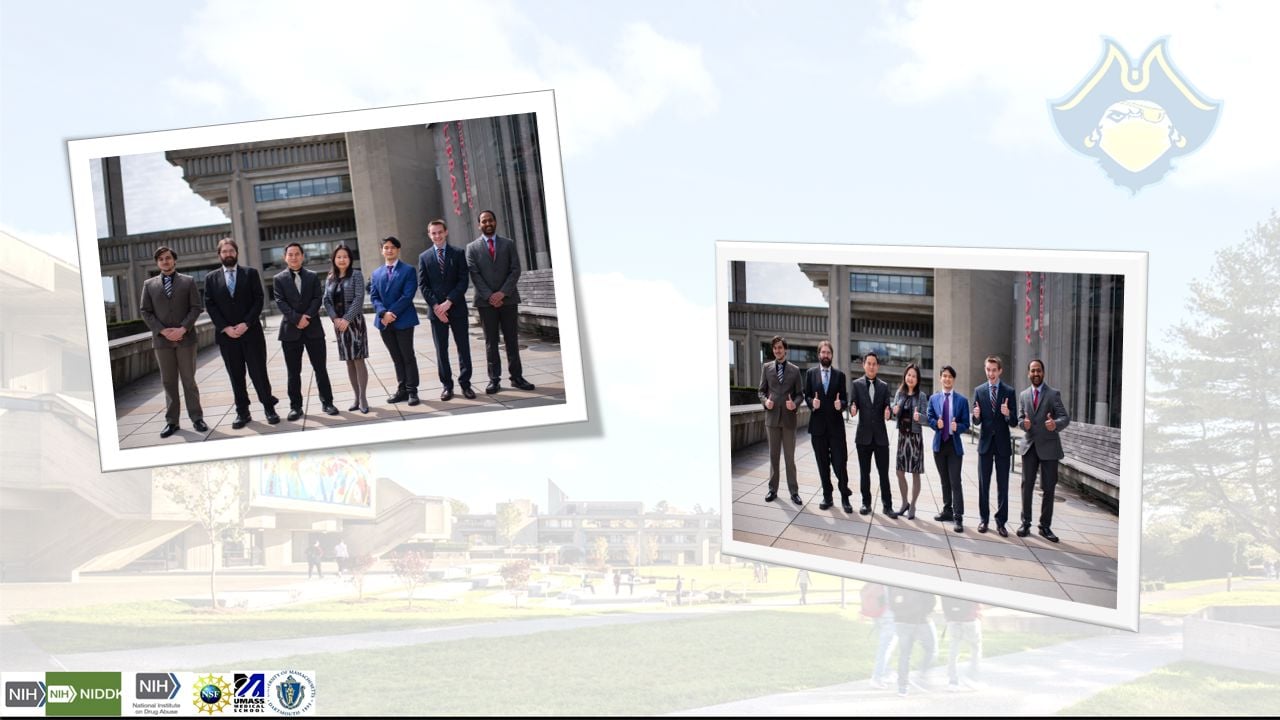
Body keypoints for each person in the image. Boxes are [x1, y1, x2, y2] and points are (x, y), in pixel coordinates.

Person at [203, 237, 279, 429]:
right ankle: (242, 413)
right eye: (224, 251)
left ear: (236, 253)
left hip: (251, 333)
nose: (228, 254)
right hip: (227, 337)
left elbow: (259, 299)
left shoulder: (250, 273)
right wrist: (226, 328)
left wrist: (246, 323)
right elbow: (210, 306)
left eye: (231, 251)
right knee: (236, 376)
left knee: (259, 373)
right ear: (219, 255)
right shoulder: (211, 278)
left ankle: (269, 408)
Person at [464, 210, 536, 394]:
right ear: (479, 225)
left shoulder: (508, 244)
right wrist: (491, 296)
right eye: (484, 221)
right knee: (491, 342)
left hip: (509, 299)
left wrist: (502, 293)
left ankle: (517, 377)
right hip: (486, 302)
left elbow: (515, 270)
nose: (487, 223)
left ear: (495, 222)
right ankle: (494, 380)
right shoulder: (471, 248)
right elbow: (475, 274)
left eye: (490, 220)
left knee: (512, 340)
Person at [138, 246, 206, 438]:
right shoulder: (149, 285)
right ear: (157, 263)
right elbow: (145, 311)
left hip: (186, 339)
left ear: (174, 260)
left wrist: (183, 328)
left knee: (188, 381)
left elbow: (196, 307)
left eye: (168, 258)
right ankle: (172, 422)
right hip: (162, 341)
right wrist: (162, 330)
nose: (165, 261)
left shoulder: (188, 281)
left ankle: (197, 418)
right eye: (161, 259)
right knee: (168, 382)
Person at [272, 242, 338, 421]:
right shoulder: (278, 279)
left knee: (320, 369)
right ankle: (295, 407)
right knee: (293, 372)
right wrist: (296, 319)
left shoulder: (313, 276)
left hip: (313, 330)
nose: (293, 257)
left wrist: (306, 317)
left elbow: (318, 298)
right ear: (285, 257)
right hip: (290, 332)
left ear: (302, 256)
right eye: (290, 254)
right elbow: (280, 301)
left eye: (297, 254)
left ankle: (327, 403)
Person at [417, 219, 475, 401]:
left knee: (463, 348)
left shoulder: (458, 253)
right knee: (441, 350)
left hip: (456, 308)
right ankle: (447, 386)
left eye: (440, 232)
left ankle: (466, 384)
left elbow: (463, 281)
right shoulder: (424, 257)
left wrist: (449, 302)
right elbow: (423, 285)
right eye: (433, 233)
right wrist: (436, 307)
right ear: (429, 235)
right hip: (436, 313)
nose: (437, 235)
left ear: (446, 232)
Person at [1017, 358, 1071, 542]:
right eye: (1032, 371)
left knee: (1049, 488)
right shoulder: (1024, 395)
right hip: (1030, 446)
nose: (1036, 374)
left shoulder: (1053, 394)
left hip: (1049, 447)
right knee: (1027, 486)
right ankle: (1025, 523)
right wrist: (1023, 424)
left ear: (1043, 372)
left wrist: (1054, 424)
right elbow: (1019, 419)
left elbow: (1064, 417)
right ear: (1028, 373)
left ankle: (1045, 527)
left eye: (1038, 370)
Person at [368, 236, 421, 406]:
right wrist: (383, 313)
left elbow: (408, 296)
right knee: (396, 357)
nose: (389, 250)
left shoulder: (408, 270)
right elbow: (374, 296)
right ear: (382, 251)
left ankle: (412, 390)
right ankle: (402, 390)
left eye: (392, 247)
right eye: (386, 247)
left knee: (407, 356)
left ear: (398, 250)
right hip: (384, 322)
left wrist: (391, 313)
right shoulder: (376, 273)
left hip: (403, 320)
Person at [972, 355, 1018, 537]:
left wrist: (1008, 413)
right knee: (984, 484)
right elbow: (975, 421)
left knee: (1003, 485)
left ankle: (1001, 522)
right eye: (988, 369)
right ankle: (984, 519)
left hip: (1002, 445)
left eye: (994, 370)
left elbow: (1014, 422)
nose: (990, 373)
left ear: (1000, 371)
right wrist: (975, 416)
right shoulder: (979, 391)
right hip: (984, 444)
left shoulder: (1009, 391)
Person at [322, 244, 370, 413]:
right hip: (339, 325)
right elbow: (326, 300)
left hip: (354, 323)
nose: (342, 260)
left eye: (345, 256)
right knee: (349, 362)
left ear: (350, 259)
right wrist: (335, 318)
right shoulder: (330, 278)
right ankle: (356, 397)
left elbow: (359, 298)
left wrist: (347, 319)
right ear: (334, 259)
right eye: (339, 257)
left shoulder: (356, 275)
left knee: (358, 359)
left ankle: (363, 398)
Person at [803, 340, 850, 510]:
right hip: (818, 428)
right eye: (823, 352)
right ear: (819, 355)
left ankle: (845, 495)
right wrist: (811, 403)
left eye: (828, 353)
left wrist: (841, 405)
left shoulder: (840, 375)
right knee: (823, 464)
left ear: (832, 355)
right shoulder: (810, 373)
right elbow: (806, 395)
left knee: (840, 463)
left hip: (836, 428)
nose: (825, 355)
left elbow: (845, 399)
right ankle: (827, 496)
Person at [849, 352, 897, 517]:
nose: (871, 366)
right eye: (868, 363)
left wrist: (888, 412)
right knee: (865, 472)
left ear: (877, 366)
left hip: (881, 438)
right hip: (863, 437)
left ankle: (887, 505)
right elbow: (852, 404)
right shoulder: (856, 384)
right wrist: (853, 409)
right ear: (864, 365)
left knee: (883, 473)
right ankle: (865, 503)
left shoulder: (884, 386)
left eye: (874, 364)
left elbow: (887, 408)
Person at [758, 335, 804, 505]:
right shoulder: (766, 368)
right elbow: (761, 391)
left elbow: (800, 394)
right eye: (775, 348)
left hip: (789, 419)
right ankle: (772, 489)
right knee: (773, 456)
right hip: (771, 419)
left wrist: (795, 404)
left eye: (780, 347)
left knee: (789, 458)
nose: (778, 350)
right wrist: (765, 401)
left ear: (785, 350)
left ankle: (794, 492)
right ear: (773, 350)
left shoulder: (795, 370)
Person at [928, 366, 971, 533]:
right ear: (940, 378)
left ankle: (958, 516)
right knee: (944, 480)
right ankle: (947, 511)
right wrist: (935, 424)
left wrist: (957, 426)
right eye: (944, 376)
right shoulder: (934, 398)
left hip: (954, 445)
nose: (947, 379)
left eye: (950, 377)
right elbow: (930, 416)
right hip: (939, 445)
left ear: (953, 379)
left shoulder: (961, 400)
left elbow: (966, 424)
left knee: (955, 481)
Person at [890, 362, 927, 520]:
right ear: (905, 376)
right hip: (902, 438)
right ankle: (904, 502)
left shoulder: (922, 396)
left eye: (914, 376)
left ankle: (913, 505)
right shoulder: (900, 393)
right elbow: (893, 413)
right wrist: (894, 411)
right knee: (899, 472)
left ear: (918, 379)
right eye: (909, 375)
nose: (911, 378)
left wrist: (920, 418)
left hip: (915, 438)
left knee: (915, 473)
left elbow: (926, 418)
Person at [892, 588, 938, 697]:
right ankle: (921, 675)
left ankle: (902, 687)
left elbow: (891, 601)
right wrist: (926, 612)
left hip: (901, 621)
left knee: (904, 655)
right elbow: (930, 599)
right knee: (932, 650)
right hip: (921, 621)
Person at [861, 583, 897, 690]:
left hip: (877, 614)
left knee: (884, 647)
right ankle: (877, 678)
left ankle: (887, 673)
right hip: (889, 615)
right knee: (885, 648)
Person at [943, 597, 982, 690]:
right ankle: (972, 678)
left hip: (952, 619)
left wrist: (948, 616)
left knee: (953, 650)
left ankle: (952, 682)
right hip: (970, 620)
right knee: (975, 648)